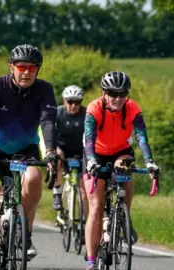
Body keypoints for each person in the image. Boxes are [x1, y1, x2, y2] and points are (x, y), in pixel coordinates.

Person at [0, 44, 58, 269]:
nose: (27, 72)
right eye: (22, 67)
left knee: (33, 179)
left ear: (37, 70)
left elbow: (48, 123)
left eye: (32, 68)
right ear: (12, 67)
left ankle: (23, 227)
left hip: (25, 148)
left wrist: (50, 151)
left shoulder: (44, 90)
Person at [83, 71, 159, 270]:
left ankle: (125, 216)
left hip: (121, 151)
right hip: (96, 153)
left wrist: (150, 161)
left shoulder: (132, 107)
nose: (118, 98)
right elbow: (89, 139)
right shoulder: (94, 108)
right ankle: (91, 261)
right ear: (104, 93)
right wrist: (91, 161)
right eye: (113, 93)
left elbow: (141, 137)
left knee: (126, 171)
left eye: (122, 94)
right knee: (97, 207)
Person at [52, 85, 87, 211]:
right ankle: (56, 193)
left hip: (80, 150)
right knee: (58, 155)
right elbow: (51, 134)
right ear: (64, 101)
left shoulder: (86, 114)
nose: (73, 105)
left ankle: (83, 223)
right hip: (62, 148)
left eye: (77, 102)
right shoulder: (58, 113)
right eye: (70, 102)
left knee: (84, 187)